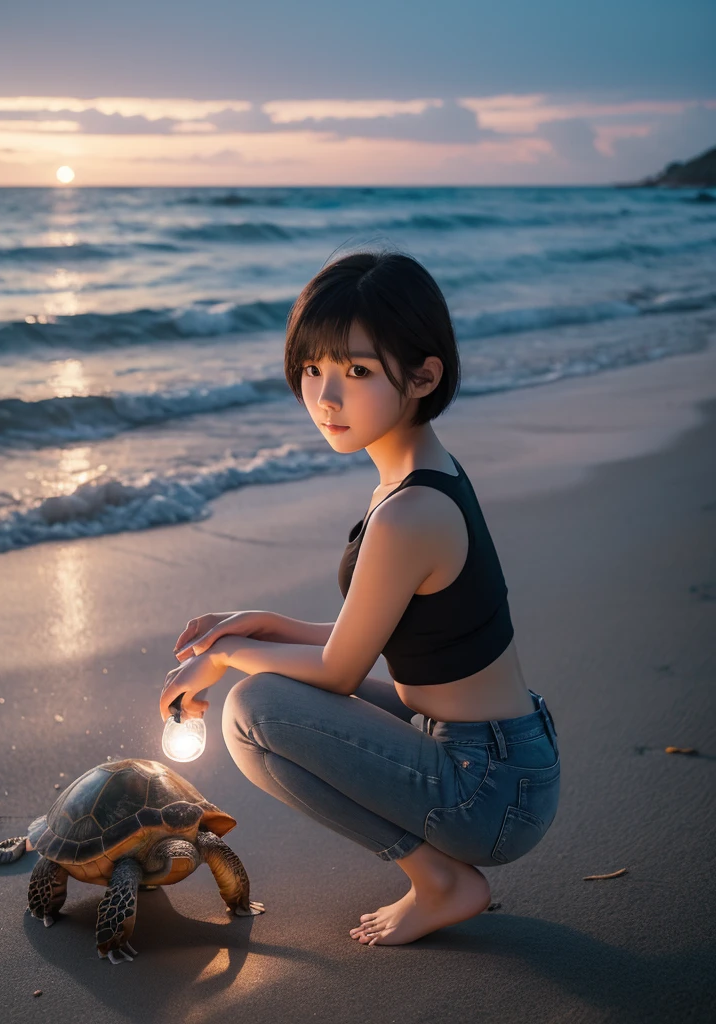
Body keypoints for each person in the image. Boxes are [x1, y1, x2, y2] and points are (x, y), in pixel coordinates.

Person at [159, 250, 561, 947]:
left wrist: (226, 658)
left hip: (488, 789)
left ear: (424, 374)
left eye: (357, 371)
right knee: (251, 707)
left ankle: (441, 880)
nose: (325, 396)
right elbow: (380, 632)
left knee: (254, 707)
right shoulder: (418, 474)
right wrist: (264, 626)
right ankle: (439, 875)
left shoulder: (409, 512)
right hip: (493, 754)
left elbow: (343, 671)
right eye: (313, 369)